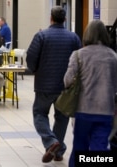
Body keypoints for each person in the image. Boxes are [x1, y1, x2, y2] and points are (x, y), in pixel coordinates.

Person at [26, 6, 81, 163]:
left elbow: (31, 57)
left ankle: (51, 142)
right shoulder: (74, 37)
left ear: (51, 18)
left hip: (44, 85)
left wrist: (35, 70)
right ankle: (58, 151)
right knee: (62, 117)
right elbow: (79, 60)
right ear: (64, 19)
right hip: (65, 87)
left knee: (39, 113)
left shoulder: (41, 36)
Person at [66, 20, 117, 167]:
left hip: (83, 110)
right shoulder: (113, 57)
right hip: (106, 110)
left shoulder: (78, 55)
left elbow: (67, 81)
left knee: (79, 147)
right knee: (100, 148)